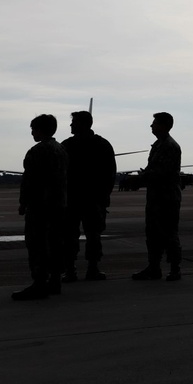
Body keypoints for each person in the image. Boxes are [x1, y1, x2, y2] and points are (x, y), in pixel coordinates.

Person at [12, 114, 68, 301]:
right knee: (55, 243)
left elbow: (29, 180)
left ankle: (39, 283)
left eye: (34, 129)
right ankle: (55, 280)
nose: (32, 133)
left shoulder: (37, 151)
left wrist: (23, 202)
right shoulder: (61, 149)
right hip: (58, 205)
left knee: (37, 245)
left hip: (40, 206)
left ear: (41, 130)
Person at [60, 111, 117, 282]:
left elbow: (109, 174)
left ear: (83, 124)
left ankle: (75, 270)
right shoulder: (102, 144)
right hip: (88, 200)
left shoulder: (67, 146)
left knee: (81, 236)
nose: (70, 126)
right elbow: (110, 174)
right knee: (90, 235)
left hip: (80, 200)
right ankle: (88, 269)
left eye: (74, 122)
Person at [131, 112, 183, 282]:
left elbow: (162, 172)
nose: (151, 126)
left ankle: (175, 269)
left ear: (163, 125)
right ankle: (154, 267)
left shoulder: (169, 146)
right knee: (152, 233)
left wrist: (140, 179)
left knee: (168, 233)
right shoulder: (158, 145)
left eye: (154, 123)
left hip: (166, 198)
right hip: (156, 197)